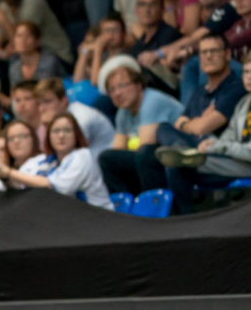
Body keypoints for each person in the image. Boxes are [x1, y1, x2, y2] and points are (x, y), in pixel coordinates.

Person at [157, 60, 251, 213]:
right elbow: (229, 136)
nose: (249, 77)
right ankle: (185, 222)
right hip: (233, 158)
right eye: (246, 72)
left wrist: (219, 147)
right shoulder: (244, 103)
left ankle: (186, 221)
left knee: (179, 167)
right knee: (164, 130)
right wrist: (212, 143)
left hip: (245, 165)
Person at [0, 112, 113, 208]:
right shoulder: (47, 161)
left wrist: (9, 172)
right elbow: (22, 183)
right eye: (56, 131)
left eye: (67, 130)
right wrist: (4, 177)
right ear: (48, 137)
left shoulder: (82, 156)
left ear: (76, 134)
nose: (61, 136)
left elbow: (52, 186)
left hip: (99, 218)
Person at [98, 62, 184, 196]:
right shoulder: (123, 112)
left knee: (144, 155)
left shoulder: (152, 101)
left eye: (122, 85)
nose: (117, 93)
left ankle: (153, 203)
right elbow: (118, 150)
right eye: (112, 90)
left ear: (138, 85)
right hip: (149, 160)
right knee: (106, 159)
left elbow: (146, 146)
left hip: (178, 156)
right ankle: (125, 205)